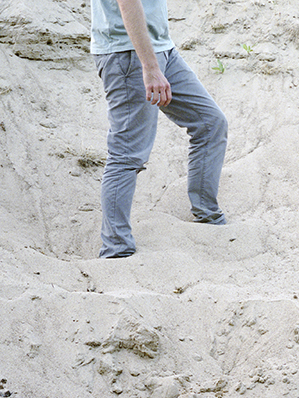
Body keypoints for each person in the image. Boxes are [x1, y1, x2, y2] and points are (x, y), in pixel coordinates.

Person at [90, 0, 228, 258]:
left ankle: (207, 216)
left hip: (162, 49)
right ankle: (116, 249)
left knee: (210, 123)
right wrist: (150, 67)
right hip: (128, 53)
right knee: (127, 153)